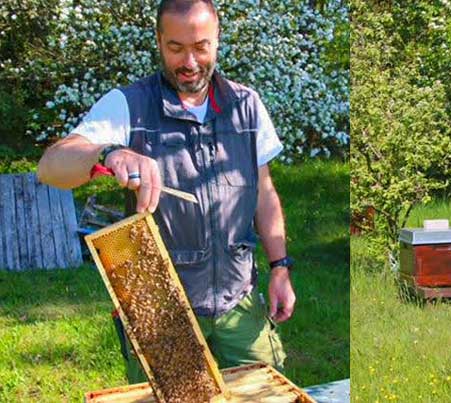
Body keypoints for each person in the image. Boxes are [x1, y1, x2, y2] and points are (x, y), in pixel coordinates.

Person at [37, 0, 295, 383]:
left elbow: (264, 192)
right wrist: (110, 152)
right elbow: (51, 167)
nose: (189, 62)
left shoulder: (247, 105)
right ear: (159, 42)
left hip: (239, 299)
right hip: (161, 309)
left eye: (201, 47)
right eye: (176, 48)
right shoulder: (129, 105)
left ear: (217, 40)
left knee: (267, 391)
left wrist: (280, 267)